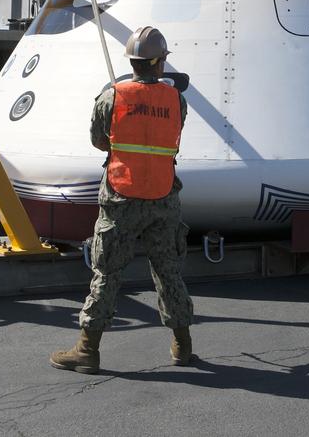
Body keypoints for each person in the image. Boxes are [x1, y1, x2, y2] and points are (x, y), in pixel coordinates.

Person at [50, 26, 195, 374]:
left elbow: (99, 141)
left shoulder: (111, 97)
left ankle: (87, 350)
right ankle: (182, 346)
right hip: (163, 198)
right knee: (168, 271)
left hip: (120, 198)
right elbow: (173, 137)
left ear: (133, 61)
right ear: (159, 63)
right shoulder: (177, 100)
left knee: (107, 273)